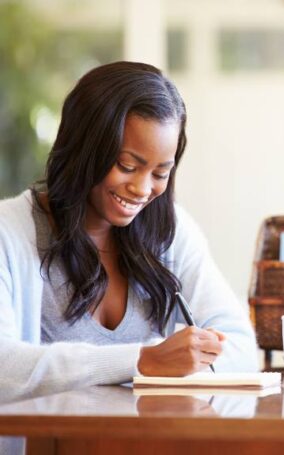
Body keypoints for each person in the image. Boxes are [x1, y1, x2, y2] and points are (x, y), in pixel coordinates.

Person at [0, 61, 259, 403]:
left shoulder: (171, 233)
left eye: (160, 172)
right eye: (127, 166)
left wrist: (183, 356)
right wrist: (141, 361)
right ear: (84, 149)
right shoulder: (9, 232)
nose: (141, 188)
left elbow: (240, 348)